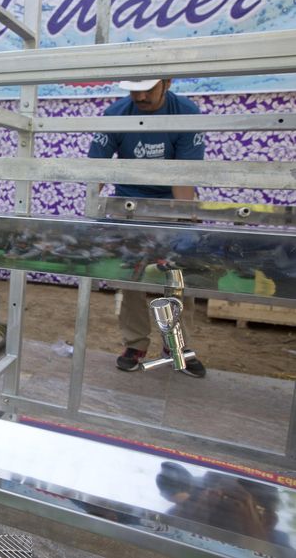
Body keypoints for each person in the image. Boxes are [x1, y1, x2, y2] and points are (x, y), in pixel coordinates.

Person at [88, 78, 206, 378]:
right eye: (134, 89)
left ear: (166, 82)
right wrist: (90, 211)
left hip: (170, 204)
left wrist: (183, 223)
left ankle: (176, 346)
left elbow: (184, 175)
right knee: (131, 279)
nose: (140, 95)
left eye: (148, 88)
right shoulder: (116, 114)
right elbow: (96, 167)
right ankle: (135, 344)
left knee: (176, 279)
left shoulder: (187, 114)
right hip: (129, 205)